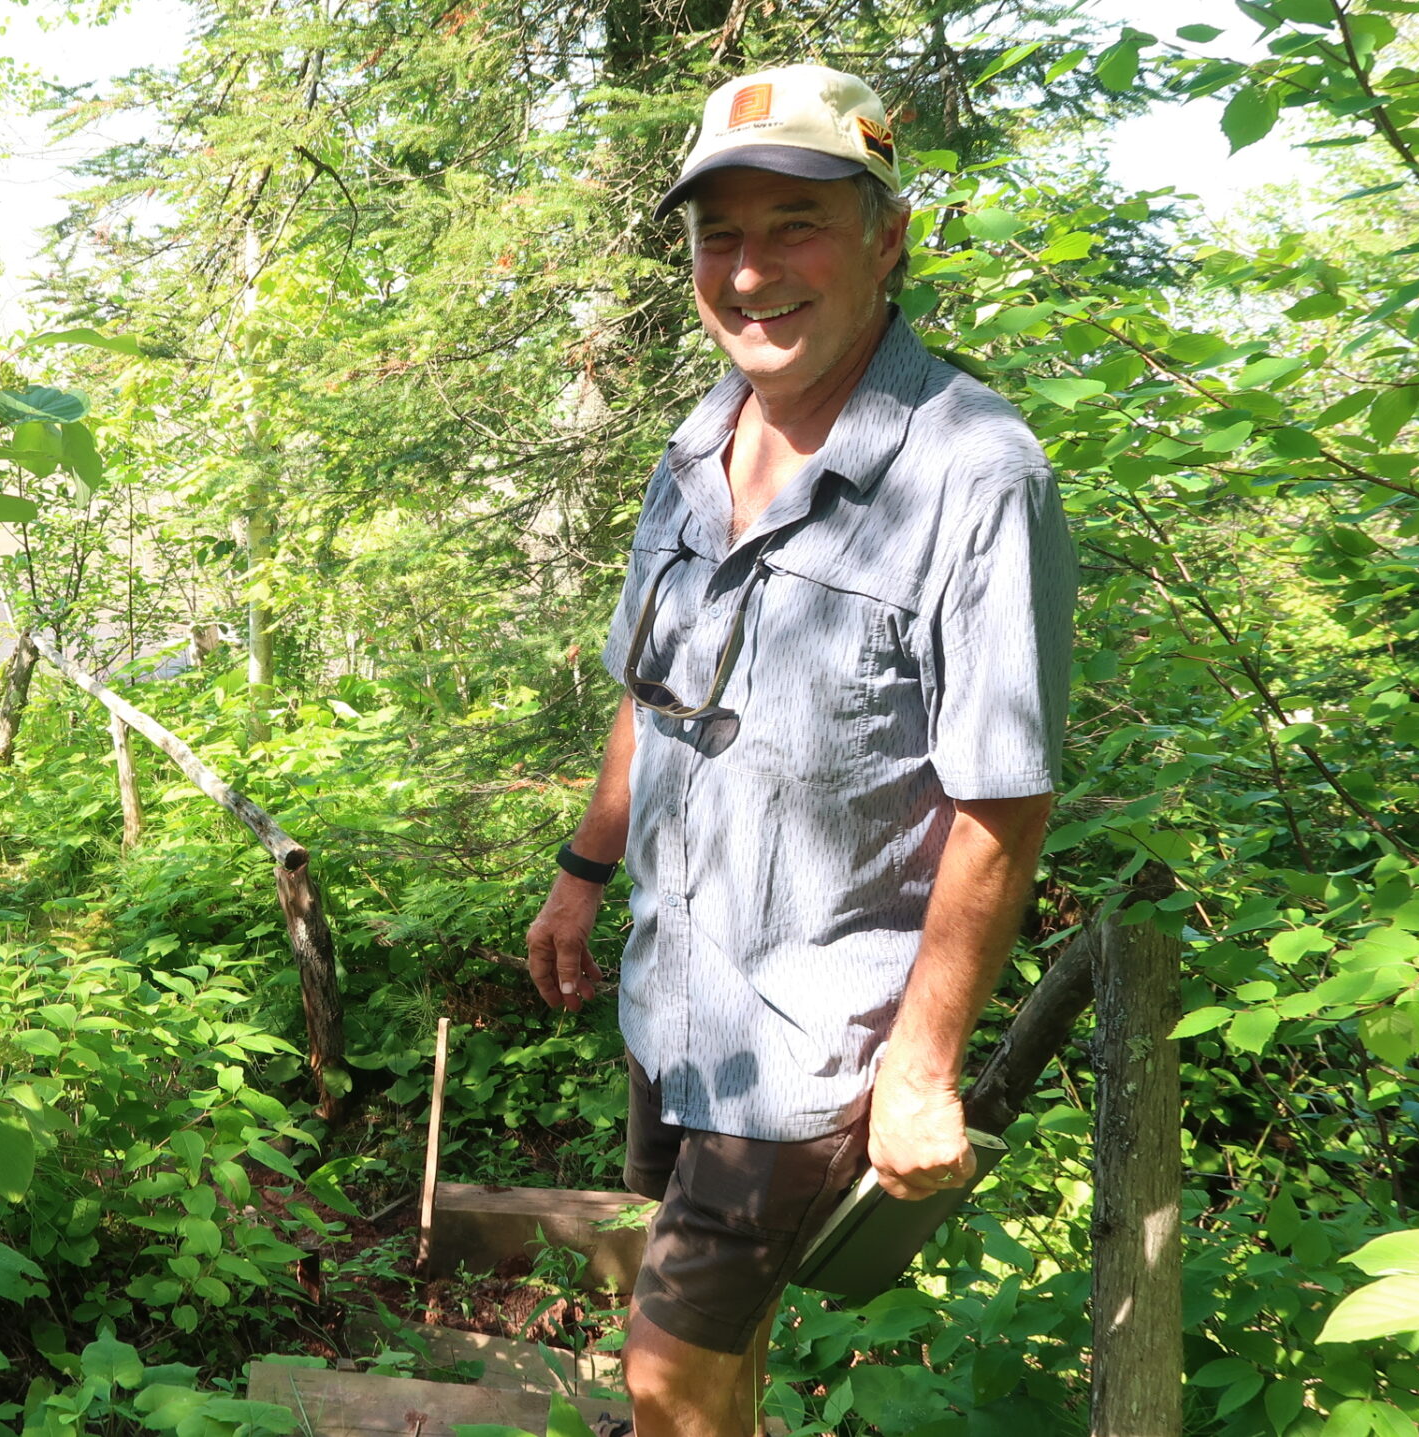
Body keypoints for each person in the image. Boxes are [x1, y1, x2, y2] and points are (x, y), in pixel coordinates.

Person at [520, 63, 1075, 1437]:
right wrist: (583, 873)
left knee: (662, 1367)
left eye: (795, 224)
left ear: (886, 237)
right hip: (681, 996)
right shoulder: (698, 442)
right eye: (722, 233)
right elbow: (649, 690)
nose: (751, 271)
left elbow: (1000, 798)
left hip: (818, 1037)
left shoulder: (975, 471)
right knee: (714, 1338)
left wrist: (925, 1063)